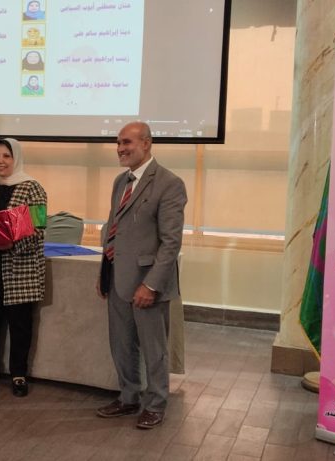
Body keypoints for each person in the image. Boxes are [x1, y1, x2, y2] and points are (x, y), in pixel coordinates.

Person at [95, 121, 186, 430]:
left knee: (154, 350)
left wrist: (151, 284)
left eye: (127, 142)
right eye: (118, 143)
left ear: (146, 143)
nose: (120, 148)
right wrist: (104, 273)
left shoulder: (169, 183)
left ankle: (156, 404)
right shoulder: (120, 181)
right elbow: (113, 230)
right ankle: (129, 397)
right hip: (117, 280)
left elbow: (171, 242)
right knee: (121, 346)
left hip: (148, 285)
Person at [0, 138, 47, 397]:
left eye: (7, 156)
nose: (1, 161)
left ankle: (18, 375)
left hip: (18, 269)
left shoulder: (33, 188)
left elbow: (39, 228)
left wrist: (11, 244)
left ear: (17, 158)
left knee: (20, 326)